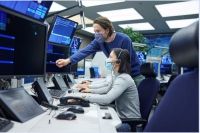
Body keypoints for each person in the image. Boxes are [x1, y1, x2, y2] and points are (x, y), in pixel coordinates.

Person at [56, 16, 144, 87]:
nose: (96, 34)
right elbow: (85, 51)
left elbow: (125, 64)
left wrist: (109, 83)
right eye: (94, 31)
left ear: (107, 30)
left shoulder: (124, 40)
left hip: (134, 76)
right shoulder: (99, 41)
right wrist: (67, 60)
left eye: (98, 31)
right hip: (119, 76)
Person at [71, 48, 141, 132]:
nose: (107, 59)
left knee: (96, 128)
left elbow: (107, 99)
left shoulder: (123, 79)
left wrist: (84, 97)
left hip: (131, 125)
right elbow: (107, 89)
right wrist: (89, 92)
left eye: (110, 57)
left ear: (118, 62)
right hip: (121, 118)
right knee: (96, 119)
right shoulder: (117, 76)